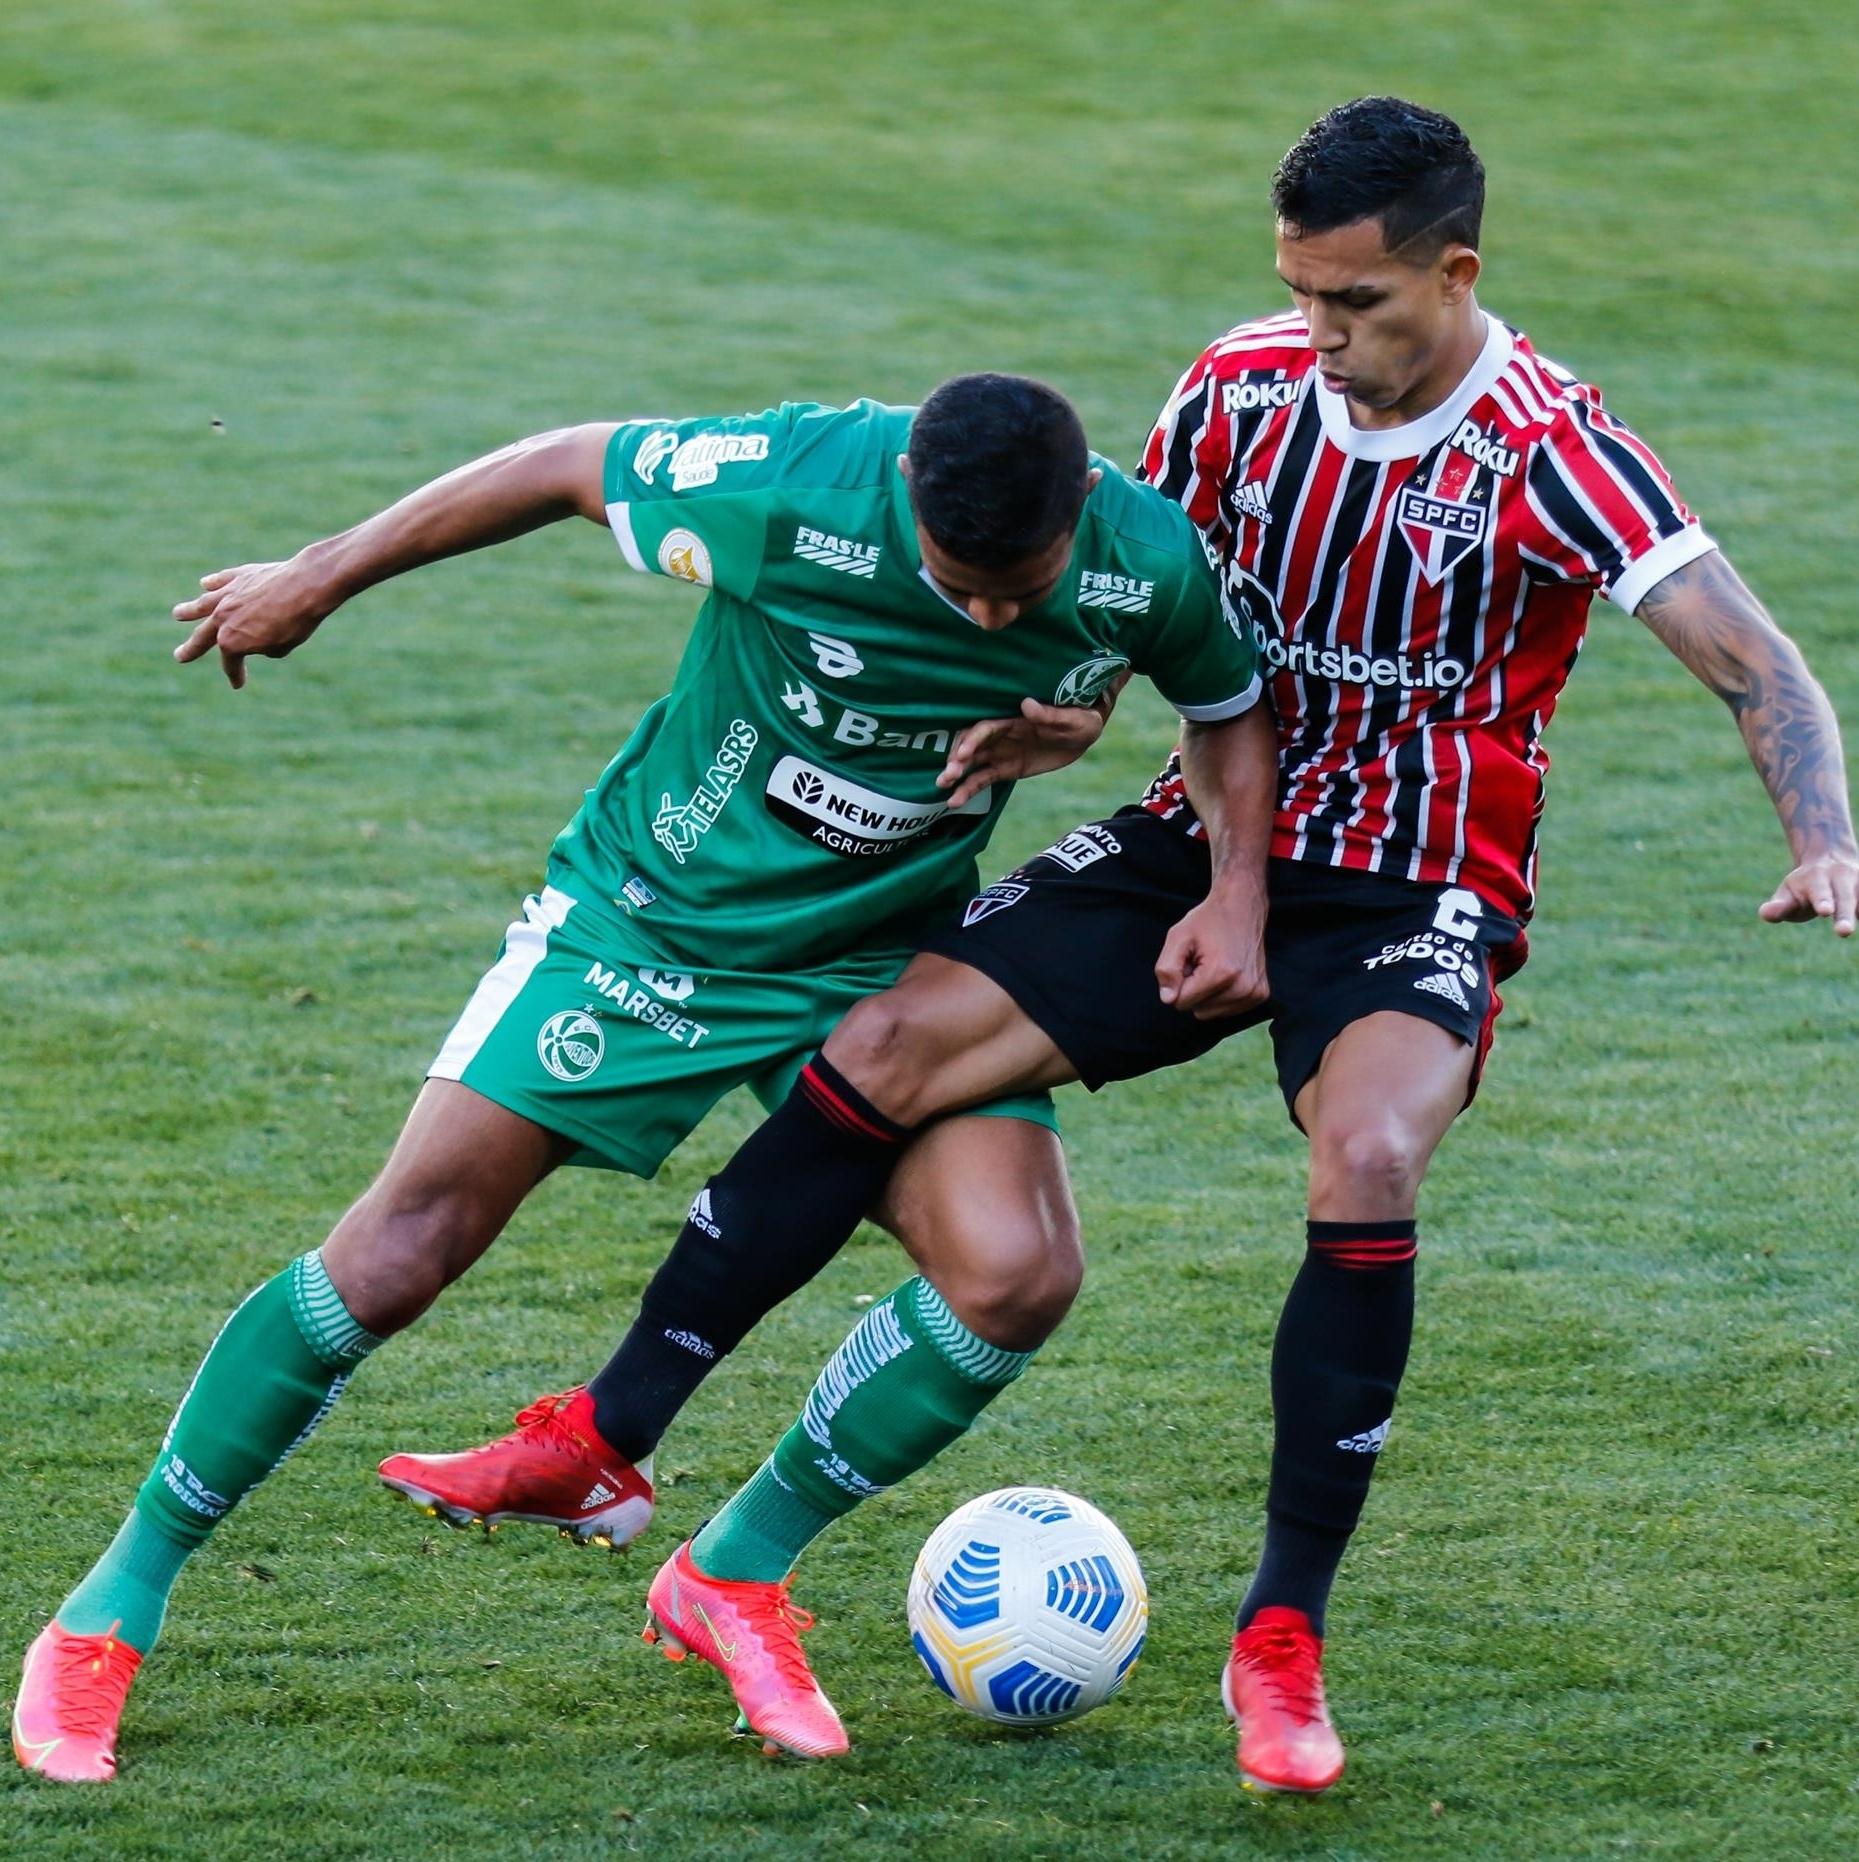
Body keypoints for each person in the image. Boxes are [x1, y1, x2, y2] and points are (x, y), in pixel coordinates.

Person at [386, 98, 1856, 1790]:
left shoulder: (1550, 443)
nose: (1319, 337)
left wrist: (1821, 838)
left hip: (1410, 882)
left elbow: (1756, 659)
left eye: (1356, 305)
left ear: (1455, 274)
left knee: (1368, 1155)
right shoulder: (1241, 388)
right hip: (1195, 837)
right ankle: (606, 1443)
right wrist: (1069, 721)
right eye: (1301, 295)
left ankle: (1281, 1642)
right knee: (881, 1050)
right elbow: (1130, 599)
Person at [10, 374, 1273, 1783]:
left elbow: (1223, 706)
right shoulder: (796, 485)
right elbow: (565, 461)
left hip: (878, 964)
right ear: (906, 491)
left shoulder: (1139, 555)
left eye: (1016, 591)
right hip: (651, 918)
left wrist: (1231, 887)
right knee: (399, 1249)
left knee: (1016, 1270)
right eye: (959, 584)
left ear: (1078, 516)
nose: (986, 617)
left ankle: (731, 1569)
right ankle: (106, 1607)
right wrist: (320, 574)